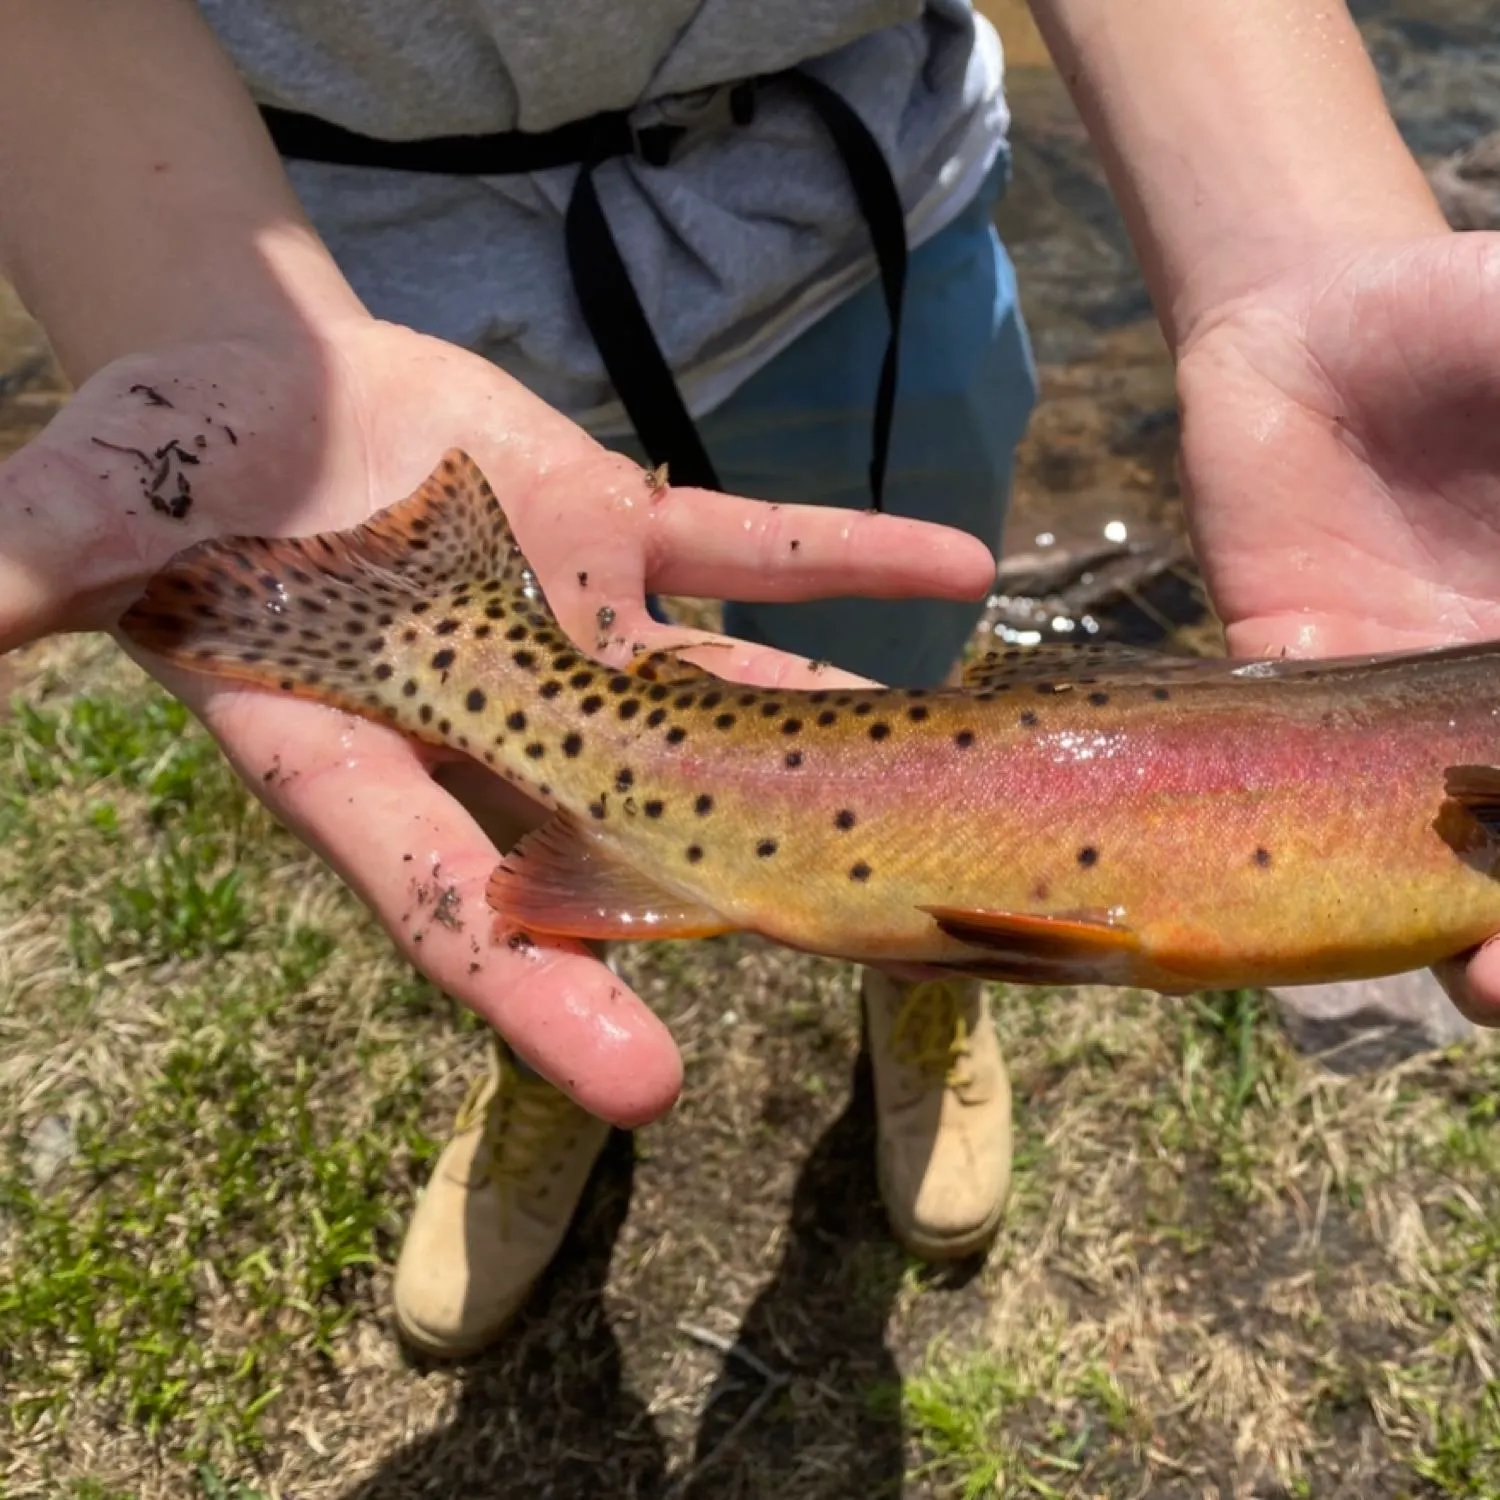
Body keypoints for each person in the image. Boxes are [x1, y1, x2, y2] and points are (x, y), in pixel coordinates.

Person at [2, 0, 1498, 1362]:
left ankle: (923, 997)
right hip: (355, 264)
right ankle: (546, 1037)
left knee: (911, 632)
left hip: (868, 216)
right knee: (470, 801)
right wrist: (197, 300)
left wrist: (1312, 261)